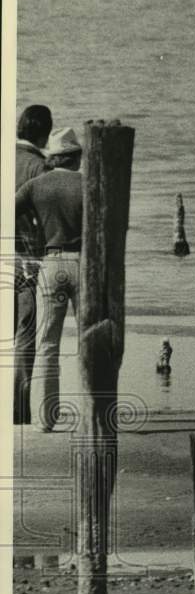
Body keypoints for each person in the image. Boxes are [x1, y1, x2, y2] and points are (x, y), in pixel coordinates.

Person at [14, 127, 83, 432]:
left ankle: (45, 418)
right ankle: (93, 413)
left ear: (52, 158)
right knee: (90, 340)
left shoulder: (35, 186)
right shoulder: (91, 185)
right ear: (76, 158)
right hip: (85, 264)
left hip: (51, 264)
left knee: (47, 343)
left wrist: (26, 250)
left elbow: (8, 212)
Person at [13, 105, 52, 425]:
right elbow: (44, 219)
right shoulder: (40, 167)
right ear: (46, 133)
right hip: (25, 258)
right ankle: (18, 410)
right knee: (24, 332)